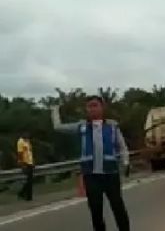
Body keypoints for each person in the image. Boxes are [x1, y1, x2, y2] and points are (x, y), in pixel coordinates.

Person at [51, 96, 131, 231]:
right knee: (95, 210)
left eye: (95, 105)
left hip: (110, 173)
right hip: (91, 175)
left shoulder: (112, 125)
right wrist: (54, 110)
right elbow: (58, 127)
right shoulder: (81, 126)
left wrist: (126, 161)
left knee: (118, 207)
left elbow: (122, 146)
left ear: (102, 107)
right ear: (86, 109)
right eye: (89, 106)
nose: (92, 109)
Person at [16, 132, 34, 201]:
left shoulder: (27, 141)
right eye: (26, 134)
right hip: (25, 163)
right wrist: (22, 164)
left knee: (30, 180)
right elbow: (20, 153)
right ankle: (28, 197)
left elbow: (30, 152)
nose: (27, 135)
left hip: (30, 162)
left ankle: (23, 194)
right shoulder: (20, 142)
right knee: (29, 180)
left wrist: (33, 161)